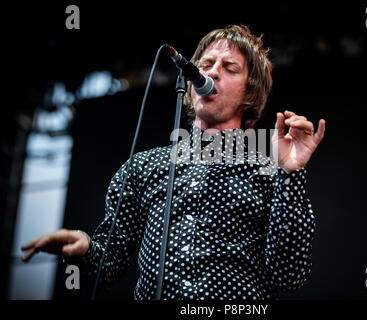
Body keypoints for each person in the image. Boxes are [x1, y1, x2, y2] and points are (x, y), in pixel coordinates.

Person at [21, 25, 325, 300]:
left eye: (229, 68)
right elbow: (107, 268)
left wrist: (290, 173)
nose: (213, 72)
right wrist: (85, 248)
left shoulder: (268, 171)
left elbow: (289, 275)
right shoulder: (141, 168)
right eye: (206, 65)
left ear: (250, 91)